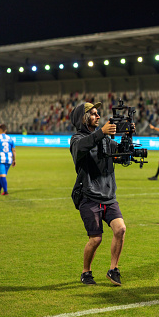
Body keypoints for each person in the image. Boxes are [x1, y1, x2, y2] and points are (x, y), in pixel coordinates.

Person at [69, 102, 127, 286]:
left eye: (98, 113)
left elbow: (121, 155)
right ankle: (86, 272)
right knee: (96, 239)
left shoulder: (105, 139)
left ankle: (113, 269)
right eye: (93, 114)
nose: (98, 116)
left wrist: (128, 138)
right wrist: (101, 132)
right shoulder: (77, 139)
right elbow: (83, 147)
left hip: (108, 195)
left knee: (121, 229)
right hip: (89, 196)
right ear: (84, 118)